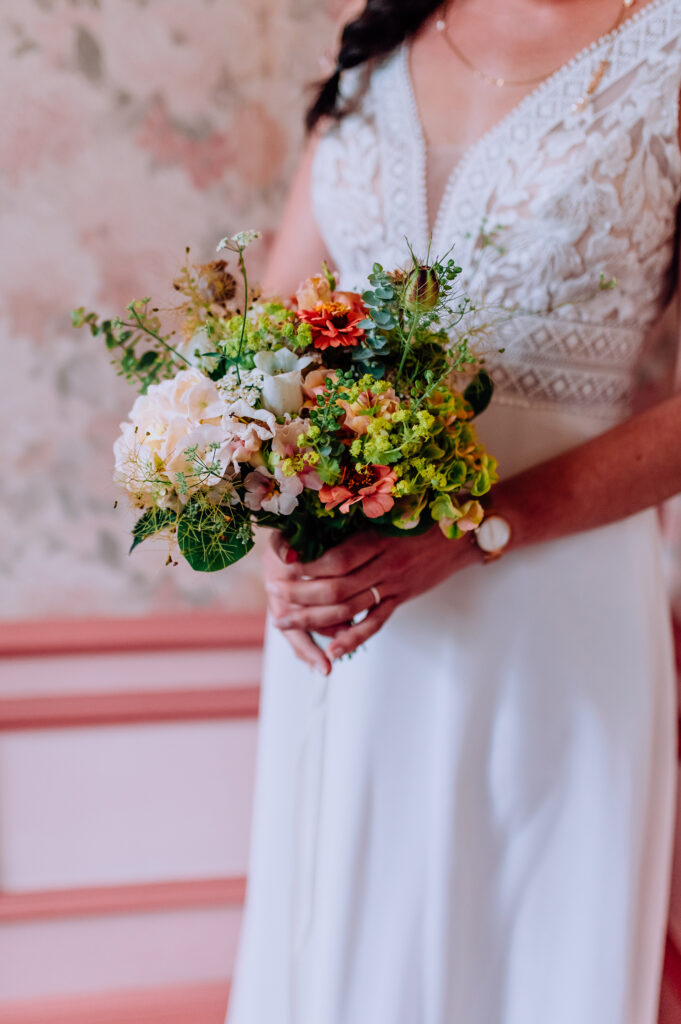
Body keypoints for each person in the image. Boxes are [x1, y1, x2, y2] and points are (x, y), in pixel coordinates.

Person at [226, 1, 681, 1021]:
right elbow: (274, 329)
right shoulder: (380, 30)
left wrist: (486, 525)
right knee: (344, 948)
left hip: (555, 606)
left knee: (531, 953)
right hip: (351, 604)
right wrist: (277, 532)